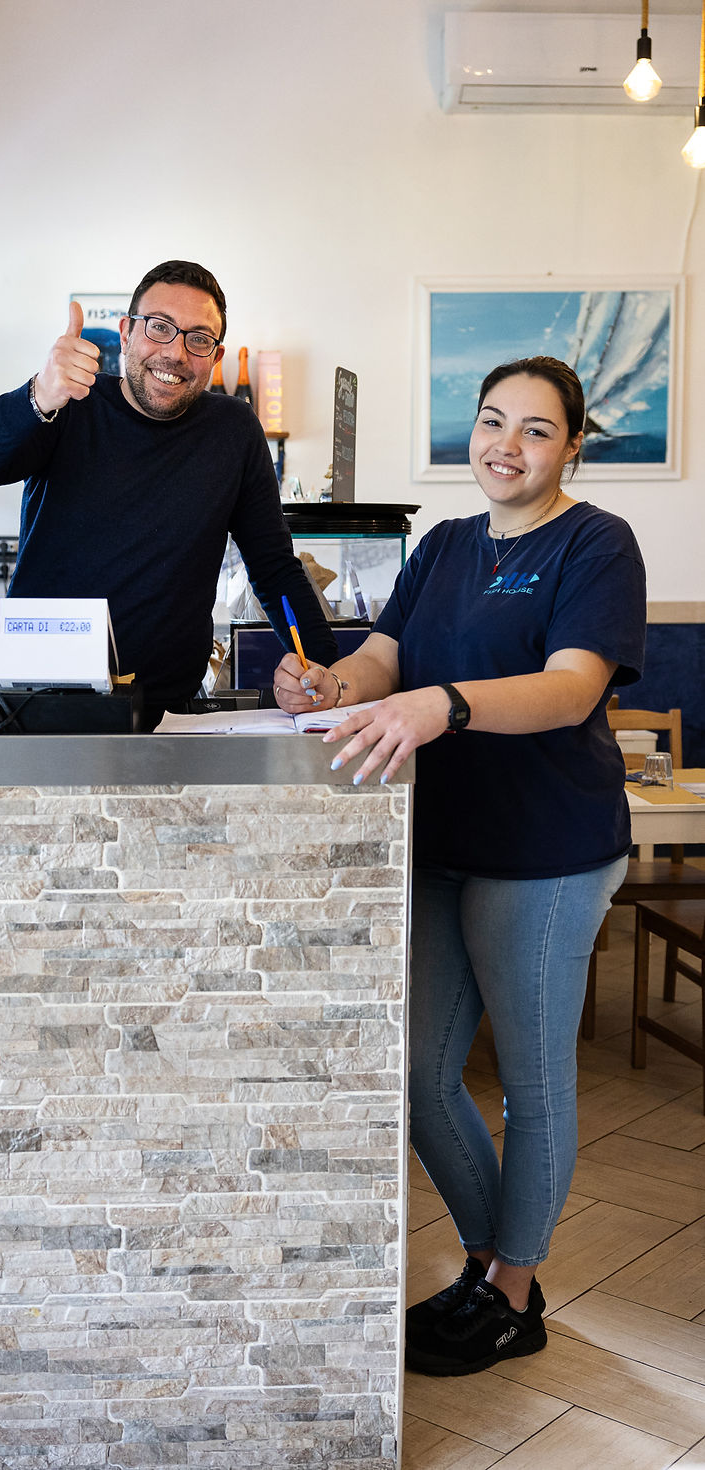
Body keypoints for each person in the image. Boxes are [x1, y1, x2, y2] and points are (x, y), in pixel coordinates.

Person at [273, 356, 646, 1377]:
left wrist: (446, 704)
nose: (506, 446)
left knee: (529, 1084)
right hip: (438, 840)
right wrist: (324, 680)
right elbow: (384, 657)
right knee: (419, 1076)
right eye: (491, 422)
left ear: (571, 444)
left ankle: (509, 1289)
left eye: (534, 429)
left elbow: (571, 688)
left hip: (545, 853)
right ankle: (491, 1270)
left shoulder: (593, 542)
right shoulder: (441, 545)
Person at [0, 259, 336, 725]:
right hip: (41, 705)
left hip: (169, 715)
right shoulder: (70, 404)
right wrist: (41, 392)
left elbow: (274, 569)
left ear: (215, 357)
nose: (176, 353)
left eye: (198, 338)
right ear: (126, 333)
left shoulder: (234, 431)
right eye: (160, 328)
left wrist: (328, 668)